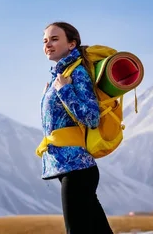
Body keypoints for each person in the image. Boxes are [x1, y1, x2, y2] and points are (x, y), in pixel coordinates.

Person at [41, 21, 113, 234]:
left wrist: (63, 91)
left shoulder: (77, 72)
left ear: (72, 44)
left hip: (78, 170)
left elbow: (91, 117)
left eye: (55, 39)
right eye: (45, 41)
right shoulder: (60, 75)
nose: (48, 44)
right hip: (72, 169)